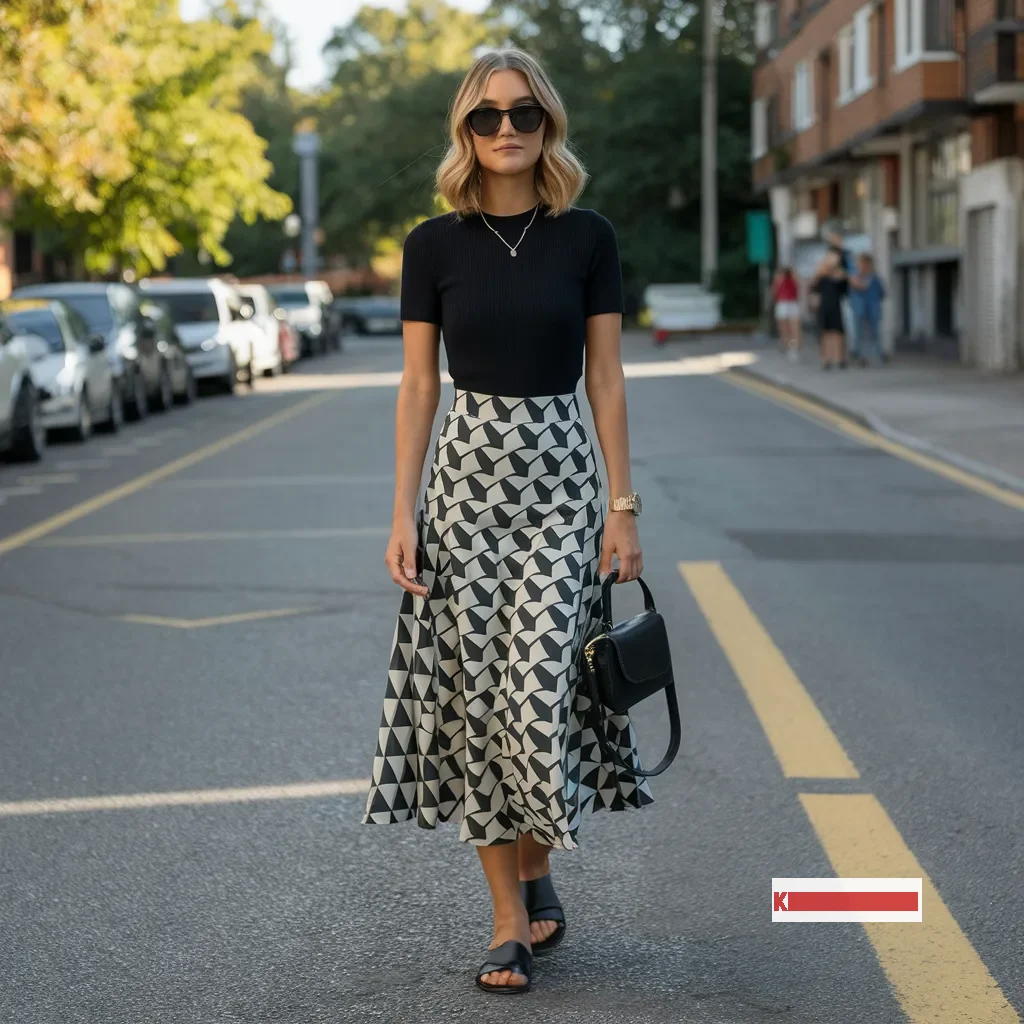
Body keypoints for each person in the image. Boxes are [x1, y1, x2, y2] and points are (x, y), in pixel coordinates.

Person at [361, 48, 652, 996]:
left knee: (537, 694)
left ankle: (534, 863)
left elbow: (605, 378)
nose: (506, 130)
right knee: (479, 706)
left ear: (548, 123)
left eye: (523, 113)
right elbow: (415, 386)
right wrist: (402, 512)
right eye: (486, 117)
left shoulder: (587, 236)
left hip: (563, 481)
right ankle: (507, 920)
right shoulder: (431, 245)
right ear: (464, 132)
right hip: (465, 486)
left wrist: (622, 508)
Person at [810, 249, 848, 370]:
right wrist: (820, 272)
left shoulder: (839, 275)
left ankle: (839, 358)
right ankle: (827, 358)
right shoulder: (821, 276)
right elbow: (813, 287)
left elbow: (844, 287)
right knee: (825, 333)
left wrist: (836, 273)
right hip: (824, 307)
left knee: (838, 333)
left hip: (836, 306)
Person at [849, 253, 887, 366]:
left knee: (874, 332)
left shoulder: (874, 278)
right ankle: (860, 355)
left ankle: (877, 354)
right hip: (860, 309)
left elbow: (882, 293)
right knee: (860, 333)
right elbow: (853, 293)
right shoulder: (856, 277)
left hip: (872, 308)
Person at [771, 266, 801, 362]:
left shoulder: (793, 279)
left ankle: (794, 348)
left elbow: (798, 289)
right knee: (784, 329)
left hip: (791, 303)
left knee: (794, 328)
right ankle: (787, 346)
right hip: (782, 303)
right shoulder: (778, 280)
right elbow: (774, 292)